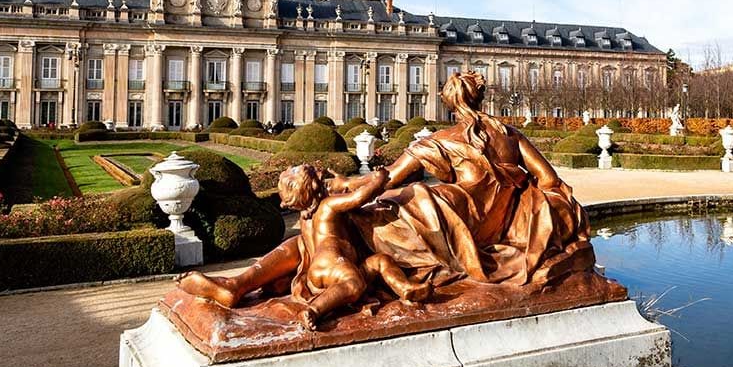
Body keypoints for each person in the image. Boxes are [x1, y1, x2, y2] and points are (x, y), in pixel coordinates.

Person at [175, 71, 593, 313]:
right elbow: (550, 182)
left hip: (440, 213)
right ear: (479, 97)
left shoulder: (434, 141)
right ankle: (244, 283)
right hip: (485, 220)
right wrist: (542, 214)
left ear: (450, 104)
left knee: (339, 223)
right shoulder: (511, 134)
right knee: (337, 225)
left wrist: (335, 185)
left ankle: (244, 281)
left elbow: (387, 179)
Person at [179, 165, 430, 329]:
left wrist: (352, 180)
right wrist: (377, 180)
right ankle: (315, 309)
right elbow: (357, 197)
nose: (296, 165)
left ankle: (235, 286)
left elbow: (344, 186)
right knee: (353, 284)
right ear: (312, 184)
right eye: (297, 168)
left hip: (313, 264)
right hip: (333, 265)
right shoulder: (329, 204)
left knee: (379, 260)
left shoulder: (306, 214)